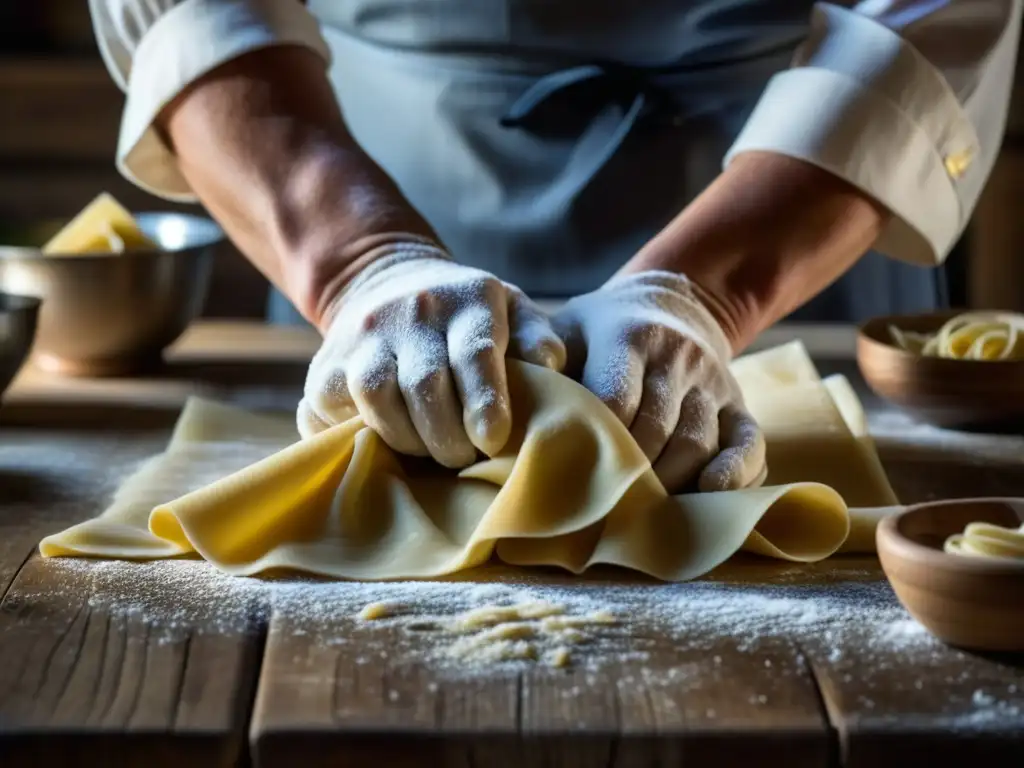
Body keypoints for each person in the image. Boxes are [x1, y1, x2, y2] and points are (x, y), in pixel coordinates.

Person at [89, 0, 1019, 494]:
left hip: (798, 187)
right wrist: (363, 263)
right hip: (353, 166)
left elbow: (931, 14)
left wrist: (709, 294)